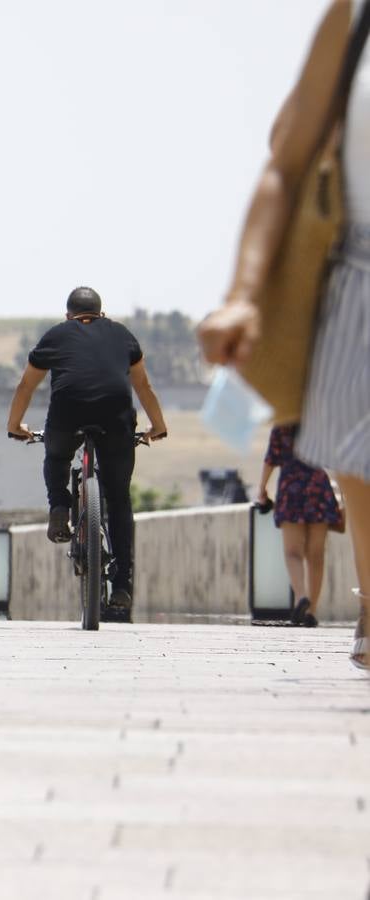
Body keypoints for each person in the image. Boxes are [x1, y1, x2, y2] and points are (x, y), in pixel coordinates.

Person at [197, 0, 370, 669]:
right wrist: (243, 296)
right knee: (357, 462)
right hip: (357, 279)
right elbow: (286, 165)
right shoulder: (352, 17)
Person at [7, 287, 167, 618]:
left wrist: (15, 426)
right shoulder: (123, 335)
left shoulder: (56, 335)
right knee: (119, 498)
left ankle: (59, 507)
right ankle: (122, 582)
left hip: (68, 414)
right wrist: (158, 426)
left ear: (69, 315)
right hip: (116, 418)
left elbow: (26, 385)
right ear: (102, 313)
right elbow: (143, 386)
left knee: (56, 456)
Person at [258, 425, 340, 627]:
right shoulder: (321, 419)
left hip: (291, 489)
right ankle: (312, 611)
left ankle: (301, 596)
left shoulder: (281, 425)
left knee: (292, 552)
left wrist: (262, 489)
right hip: (318, 488)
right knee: (316, 555)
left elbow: (270, 460)